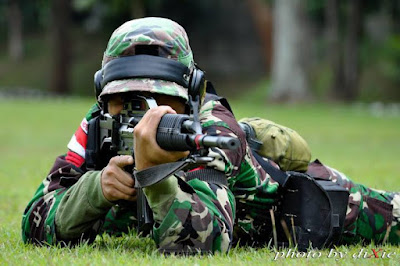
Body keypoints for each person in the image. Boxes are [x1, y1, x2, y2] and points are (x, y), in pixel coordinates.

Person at [22, 17, 400, 253]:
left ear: (191, 94)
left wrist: (154, 177)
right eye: (125, 99)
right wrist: (96, 189)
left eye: (158, 99)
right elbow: (34, 221)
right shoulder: (99, 124)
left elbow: (203, 242)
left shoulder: (211, 131)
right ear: (104, 95)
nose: (142, 115)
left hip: (299, 207)